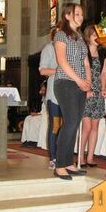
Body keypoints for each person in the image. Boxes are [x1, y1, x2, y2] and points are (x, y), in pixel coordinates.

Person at [53, 3, 91, 180]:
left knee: (75, 123)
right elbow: (62, 61)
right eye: (77, 13)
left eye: (82, 14)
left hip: (80, 84)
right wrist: (78, 80)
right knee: (70, 122)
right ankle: (60, 164)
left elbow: (86, 63)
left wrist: (88, 82)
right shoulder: (61, 35)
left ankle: (68, 162)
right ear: (67, 16)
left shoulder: (81, 38)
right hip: (66, 82)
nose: (81, 16)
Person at [79, 25, 106, 167]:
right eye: (94, 35)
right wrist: (86, 89)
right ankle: (80, 157)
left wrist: (104, 88)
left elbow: (103, 73)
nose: (97, 37)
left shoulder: (103, 53)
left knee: (95, 126)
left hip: (97, 93)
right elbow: (80, 73)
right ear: (88, 37)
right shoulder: (83, 51)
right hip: (85, 92)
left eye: (98, 34)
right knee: (87, 126)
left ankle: (90, 157)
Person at [39, 23, 62, 169]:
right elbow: (42, 70)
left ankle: (63, 156)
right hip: (54, 92)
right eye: (58, 33)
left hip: (67, 92)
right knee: (55, 125)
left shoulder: (67, 49)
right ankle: (53, 158)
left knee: (66, 126)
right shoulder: (49, 48)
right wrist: (60, 70)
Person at [21, 81, 47, 147]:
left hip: (47, 116)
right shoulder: (44, 97)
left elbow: (47, 111)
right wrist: (37, 113)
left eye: (43, 89)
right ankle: (26, 139)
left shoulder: (50, 97)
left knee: (34, 120)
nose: (41, 90)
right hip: (42, 114)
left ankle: (34, 140)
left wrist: (38, 114)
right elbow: (42, 110)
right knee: (28, 118)